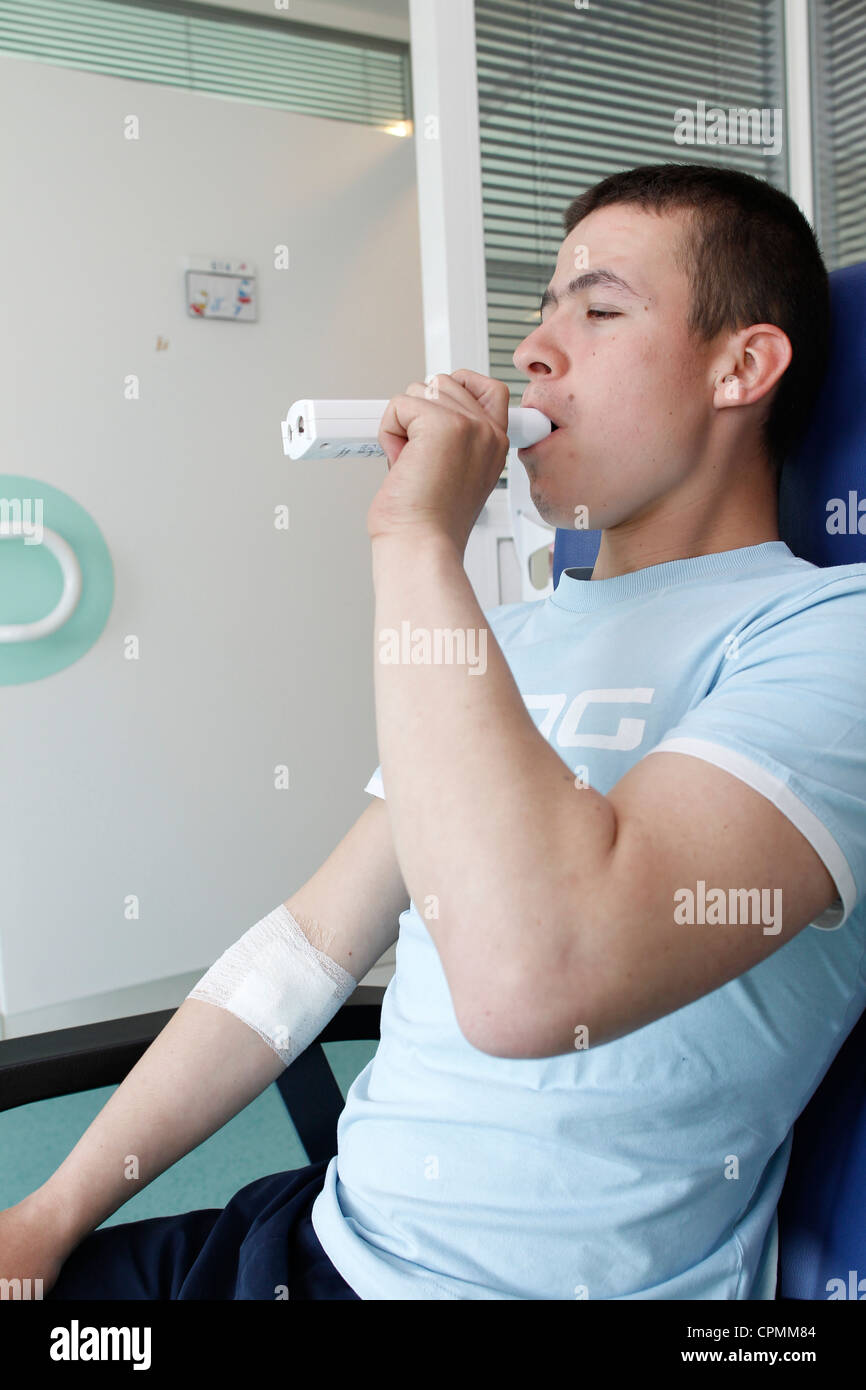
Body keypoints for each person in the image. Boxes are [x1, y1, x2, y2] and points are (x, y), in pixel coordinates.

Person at [4, 162, 865, 1300]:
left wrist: (414, 546)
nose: (534, 353)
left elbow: (532, 985)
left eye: (597, 309)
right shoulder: (503, 642)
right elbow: (307, 949)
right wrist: (44, 1217)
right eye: (544, 310)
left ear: (741, 366)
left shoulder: (827, 637)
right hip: (310, 1243)